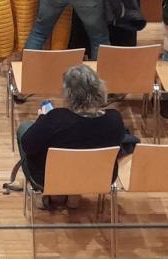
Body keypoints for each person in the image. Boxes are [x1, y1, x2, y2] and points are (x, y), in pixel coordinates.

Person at [18, 65, 127, 200]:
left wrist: (41, 119)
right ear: (99, 89)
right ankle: (74, 196)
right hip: (100, 178)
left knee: (24, 129)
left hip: (51, 179)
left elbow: (28, 146)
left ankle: (55, 195)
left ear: (68, 94)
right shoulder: (115, 119)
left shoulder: (56, 118)